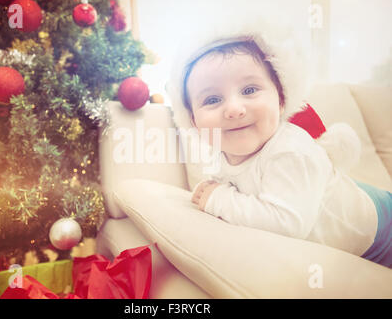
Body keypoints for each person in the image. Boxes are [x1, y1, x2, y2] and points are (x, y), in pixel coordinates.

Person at [168, 26, 392, 268]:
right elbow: (231, 184)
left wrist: (219, 199)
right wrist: (212, 188)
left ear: (281, 100)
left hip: (380, 229)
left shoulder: (291, 151)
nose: (234, 109)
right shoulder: (221, 150)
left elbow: (287, 225)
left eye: (249, 90)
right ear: (194, 122)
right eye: (212, 99)